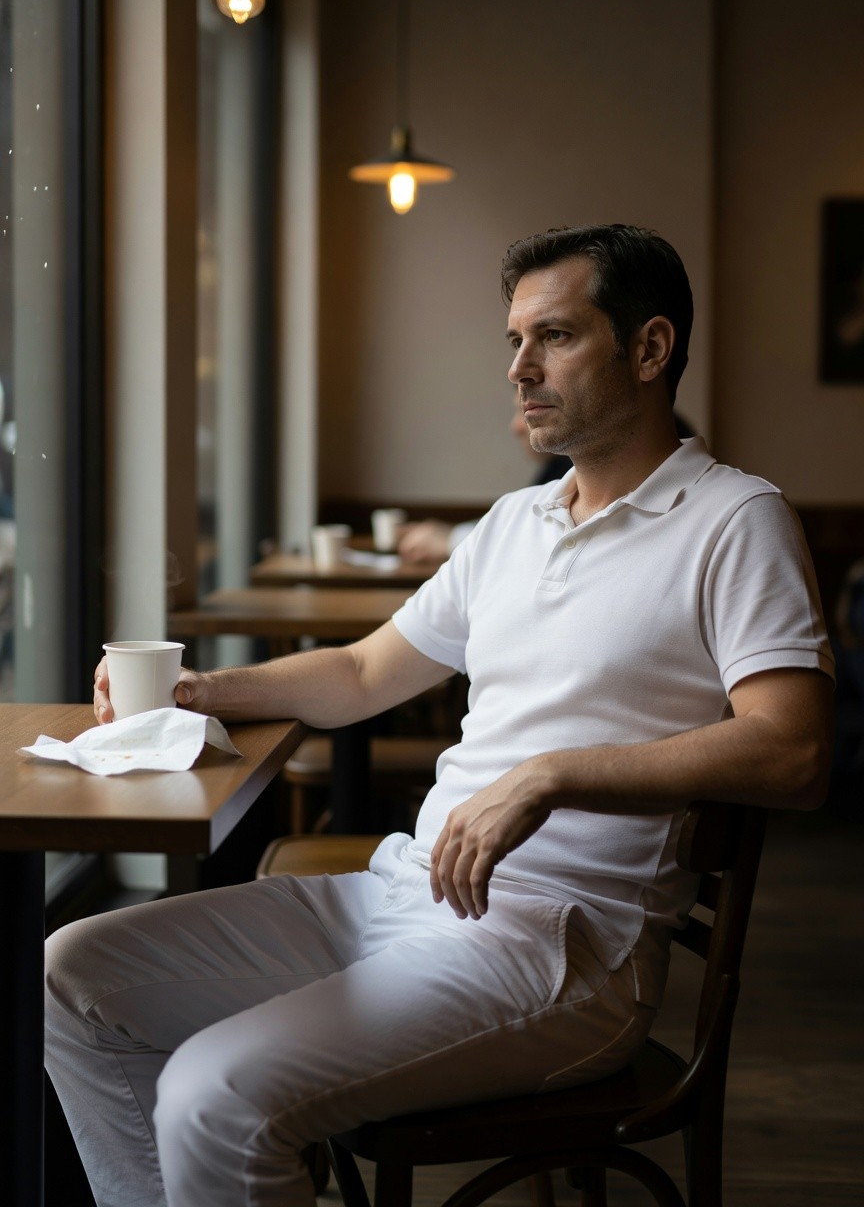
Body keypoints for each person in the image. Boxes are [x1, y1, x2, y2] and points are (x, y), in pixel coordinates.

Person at [46, 224, 834, 1207]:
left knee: (214, 1095)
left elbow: (794, 750)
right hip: (404, 892)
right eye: (514, 341)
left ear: (650, 349)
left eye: (553, 337)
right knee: (71, 972)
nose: (520, 368)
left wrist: (554, 773)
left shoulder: (735, 519)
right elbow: (367, 672)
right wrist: (205, 691)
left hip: (560, 946)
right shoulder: (516, 523)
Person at [397, 394, 571, 563]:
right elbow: (526, 524)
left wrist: (451, 540)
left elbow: (538, 541)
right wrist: (451, 534)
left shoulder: (568, 469)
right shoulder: (555, 469)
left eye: (525, 409)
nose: (514, 427)